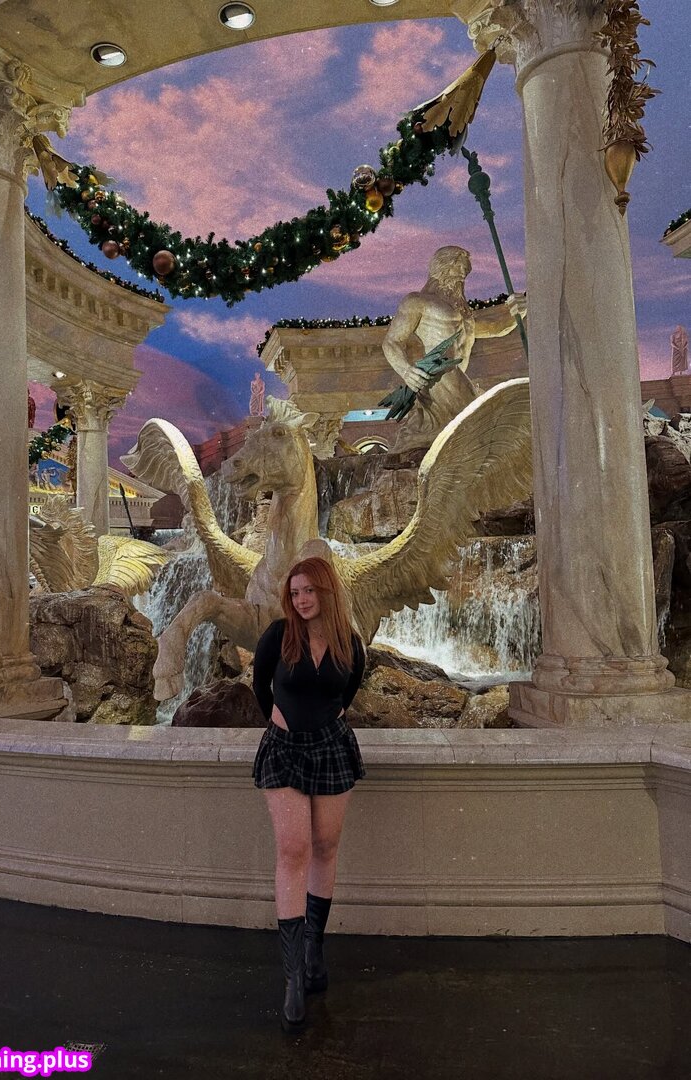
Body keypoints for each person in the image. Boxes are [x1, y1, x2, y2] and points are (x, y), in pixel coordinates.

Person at [252, 556, 366, 1033]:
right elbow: (260, 687)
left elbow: (347, 691)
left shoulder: (349, 643)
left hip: (332, 746)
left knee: (325, 847)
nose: (300, 600)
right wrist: (284, 723)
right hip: (284, 749)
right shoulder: (278, 636)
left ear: (327, 591)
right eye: (295, 592)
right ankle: (293, 977)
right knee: (293, 849)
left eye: (309, 591)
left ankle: (315, 950)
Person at [381, 245, 526, 452]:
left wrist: (517, 311)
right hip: (440, 374)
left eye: (466, 269)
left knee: (473, 429)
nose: (463, 273)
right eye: (459, 266)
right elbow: (392, 341)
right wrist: (406, 371)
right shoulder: (417, 301)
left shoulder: (463, 310)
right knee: (478, 426)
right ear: (444, 266)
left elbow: (494, 328)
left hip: (458, 375)